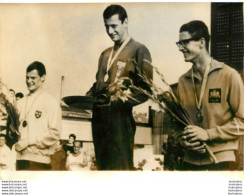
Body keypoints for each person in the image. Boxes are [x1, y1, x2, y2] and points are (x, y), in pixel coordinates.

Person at [86, 4, 153, 170]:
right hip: (99, 121)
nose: (110, 31)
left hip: (120, 121)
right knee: (102, 168)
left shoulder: (139, 50)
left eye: (114, 26)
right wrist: (87, 97)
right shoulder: (105, 54)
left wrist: (118, 101)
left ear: (126, 22)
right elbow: (99, 84)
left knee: (120, 169)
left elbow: (146, 90)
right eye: (106, 27)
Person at [176, 20, 244, 170]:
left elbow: (242, 121)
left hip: (221, 161)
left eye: (185, 42)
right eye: (178, 43)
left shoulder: (229, 76)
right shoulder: (183, 81)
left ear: (201, 42)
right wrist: (182, 140)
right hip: (190, 162)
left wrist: (209, 134)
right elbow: (179, 125)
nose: (180, 48)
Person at [15, 61, 62, 170]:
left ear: (43, 77)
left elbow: (55, 133)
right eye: (27, 77)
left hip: (39, 162)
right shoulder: (20, 102)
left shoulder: (51, 103)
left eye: (33, 78)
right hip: (20, 160)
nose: (28, 81)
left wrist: (29, 141)